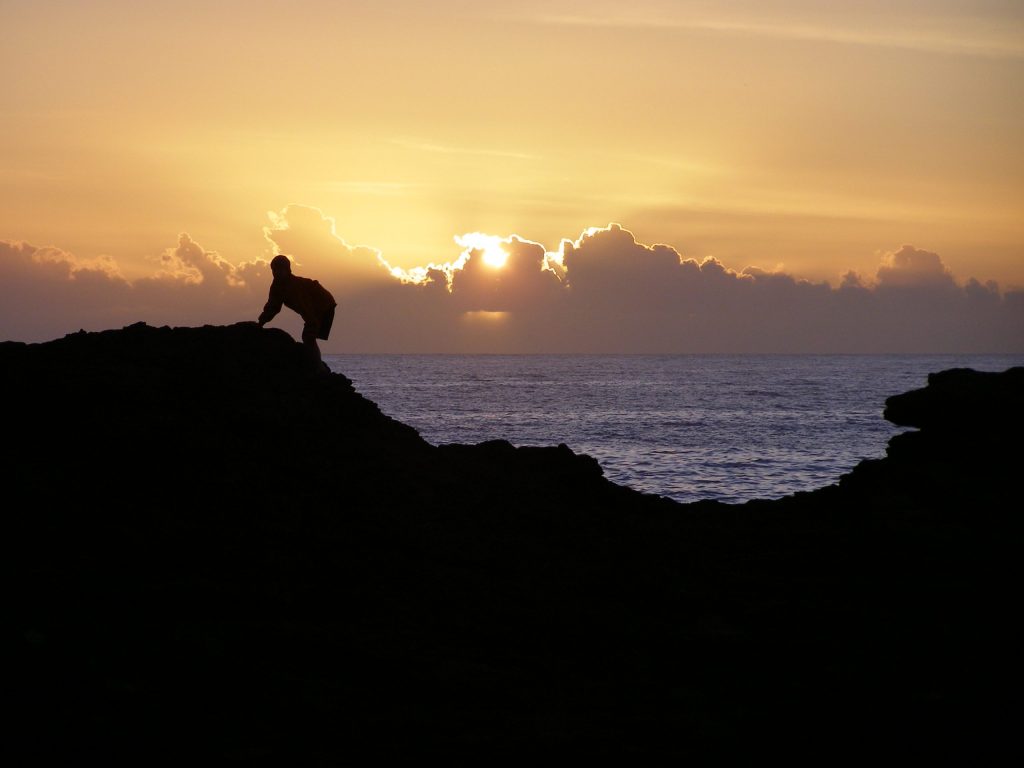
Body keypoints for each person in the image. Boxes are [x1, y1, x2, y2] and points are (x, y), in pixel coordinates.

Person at [257, 254, 337, 366]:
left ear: (288, 270)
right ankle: (316, 364)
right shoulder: (277, 286)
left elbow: (306, 306)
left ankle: (317, 367)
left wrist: (312, 323)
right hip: (316, 306)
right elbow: (273, 306)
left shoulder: (294, 286)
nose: (277, 273)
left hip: (324, 303)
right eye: (274, 270)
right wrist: (261, 322)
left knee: (308, 336)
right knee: (309, 337)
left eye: (280, 269)